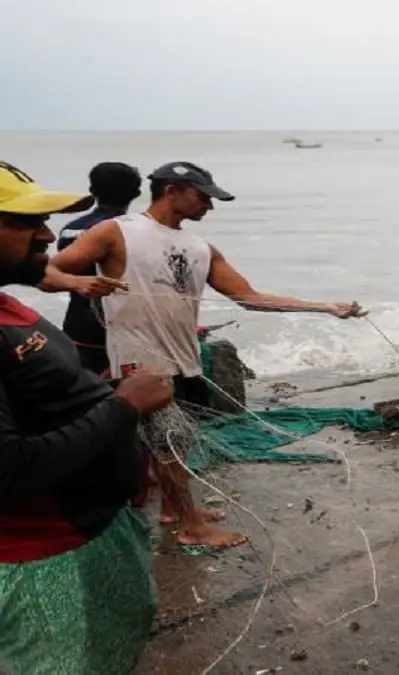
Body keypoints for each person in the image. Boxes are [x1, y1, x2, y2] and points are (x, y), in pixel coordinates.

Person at [50, 161, 365, 550]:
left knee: (172, 444)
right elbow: (50, 271)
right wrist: (78, 282)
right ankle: (191, 525)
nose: (209, 207)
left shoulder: (201, 248)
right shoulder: (117, 232)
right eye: (203, 197)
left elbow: (251, 298)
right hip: (138, 361)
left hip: (183, 359)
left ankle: (171, 509)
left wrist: (324, 307)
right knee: (171, 439)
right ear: (171, 190)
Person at [0, 160, 175, 674]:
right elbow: (9, 470)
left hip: (90, 530)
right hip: (42, 558)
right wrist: (126, 405)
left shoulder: (8, 303)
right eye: (25, 223)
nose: (48, 235)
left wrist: (104, 393)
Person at [56, 162, 143, 375]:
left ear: (92, 191)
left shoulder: (71, 229)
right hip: (123, 328)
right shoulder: (136, 230)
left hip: (79, 325)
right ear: (136, 193)